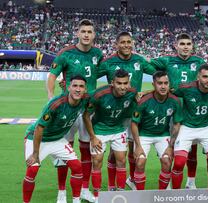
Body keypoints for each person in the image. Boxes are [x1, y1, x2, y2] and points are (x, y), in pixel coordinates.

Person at [47, 19, 103, 203]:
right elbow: (52, 76)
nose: (86, 34)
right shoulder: (66, 54)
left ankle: (85, 189)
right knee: (65, 149)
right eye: (83, 31)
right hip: (68, 108)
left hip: (89, 108)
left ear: (94, 35)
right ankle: (62, 192)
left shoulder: (97, 53)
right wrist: (50, 98)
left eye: (90, 31)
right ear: (77, 33)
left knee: (87, 150)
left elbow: (101, 71)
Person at [97, 31, 156, 191]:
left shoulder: (139, 60)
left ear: (133, 44)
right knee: (114, 153)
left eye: (129, 42)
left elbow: (160, 76)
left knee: (131, 150)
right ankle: (111, 186)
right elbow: (89, 77)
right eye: (122, 42)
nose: (126, 45)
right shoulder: (108, 62)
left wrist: (147, 92)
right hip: (114, 113)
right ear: (116, 44)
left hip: (134, 112)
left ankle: (131, 180)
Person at [151, 33, 206, 189]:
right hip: (171, 110)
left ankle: (191, 181)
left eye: (188, 44)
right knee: (169, 147)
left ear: (192, 46)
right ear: (176, 46)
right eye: (182, 44)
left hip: (191, 111)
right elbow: (148, 66)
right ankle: (167, 183)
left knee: (192, 150)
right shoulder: (167, 61)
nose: (185, 47)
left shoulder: (199, 62)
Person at [23, 75, 89, 203]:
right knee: (32, 169)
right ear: (68, 88)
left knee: (77, 167)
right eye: (75, 86)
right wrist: (35, 153)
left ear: (85, 89)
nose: (78, 89)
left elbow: (101, 95)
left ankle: (76, 200)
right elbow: (39, 128)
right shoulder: (56, 104)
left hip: (57, 139)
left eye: (81, 86)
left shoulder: (85, 100)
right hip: (37, 137)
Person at [83, 69, 137, 202]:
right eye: (119, 83)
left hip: (119, 130)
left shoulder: (132, 93)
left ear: (129, 83)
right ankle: (97, 196)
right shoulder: (99, 94)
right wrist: (93, 137)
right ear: (112, 83)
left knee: (121, 160)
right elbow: (86, 115)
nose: (123, 87)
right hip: (100, 130)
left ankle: (120, 194)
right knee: (97, 161)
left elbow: (141, 96)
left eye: (125, 83)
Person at [171, 64, 208, 189]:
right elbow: (168, 92)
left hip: (207, 128)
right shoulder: (186, 88)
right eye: (205, 76)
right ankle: (175, 195)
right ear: (198, 76)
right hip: (186, 127)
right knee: (178, 163)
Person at [131, 71, 182, 190]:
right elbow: (134, 123)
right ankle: (140, 194)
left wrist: (170, 146)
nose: (163, 86)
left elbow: (176, 124)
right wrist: (138, 146)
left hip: (162, 134)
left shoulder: (175, 101)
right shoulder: (144, 101)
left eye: (166, 83)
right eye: (159, 83)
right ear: (153, 84)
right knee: (140, 162)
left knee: (167, 162)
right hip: (144, 135)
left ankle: (162, 195)